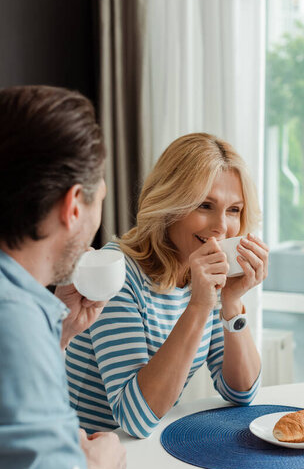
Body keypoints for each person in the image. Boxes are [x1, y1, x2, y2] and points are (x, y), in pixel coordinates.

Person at [66, 132, 269, 438]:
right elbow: (135, 419)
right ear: (171, 203)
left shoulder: (202, 273)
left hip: (140, 453)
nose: (222, 226)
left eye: (234, 210)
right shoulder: (117, 274)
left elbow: (241, 392)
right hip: (82, 454)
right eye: (204, 205)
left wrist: (231, 303)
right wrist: (200, 305)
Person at [0, 85, 126, 469]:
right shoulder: (14, 326)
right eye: (100, 202)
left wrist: (60, 335)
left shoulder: (26, 320)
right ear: (74, 205)